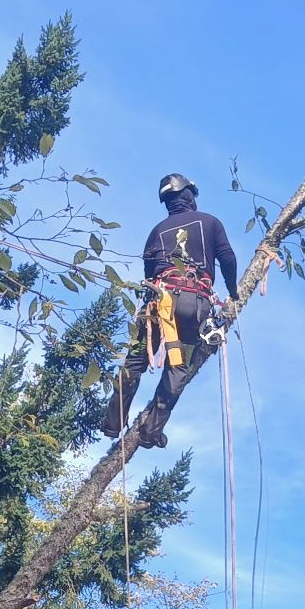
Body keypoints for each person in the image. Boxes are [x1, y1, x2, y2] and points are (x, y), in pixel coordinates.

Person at [102, 172, 239, 446]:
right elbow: (227, 258)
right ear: (188, 194)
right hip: (194, 306)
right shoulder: (210, 222)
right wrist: (234, 293)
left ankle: (114, 421)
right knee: (177, 367)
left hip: (158, 303)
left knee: (136, 361)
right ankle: (151, 430)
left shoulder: (157, 231)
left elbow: (149, 272)